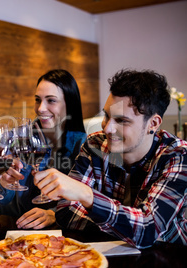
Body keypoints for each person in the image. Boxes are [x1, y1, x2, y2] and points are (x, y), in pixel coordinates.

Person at [34, 69, 187, 249]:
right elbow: (65, 212)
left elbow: (147, 230)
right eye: (106, 115)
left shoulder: (178, 156)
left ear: (152, 124)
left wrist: (87, 196)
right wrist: (127, 226)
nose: (107, 128)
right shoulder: (96, 145)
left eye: (121, 120)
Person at [0, 69, 86, 229]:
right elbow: (3, 200)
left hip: (58, 231)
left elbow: (86, 197)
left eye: (51, 100)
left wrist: (54, 214)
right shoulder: (16, 137)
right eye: (38, 100)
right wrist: (4, 181)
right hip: (13, 226)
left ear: (69, 104)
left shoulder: (82, 144)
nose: (41, 108)